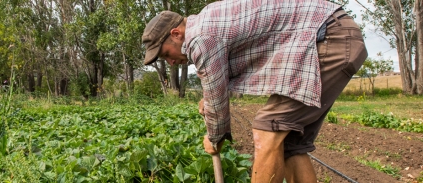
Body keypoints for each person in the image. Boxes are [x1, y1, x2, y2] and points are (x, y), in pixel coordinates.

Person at [141, 0, 367, 182]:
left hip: (328, 37)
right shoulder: (207, 22)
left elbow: (217, 104)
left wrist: (215, 136)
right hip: (330, 34)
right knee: (289, 144)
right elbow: (215, 81)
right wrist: (209, 98)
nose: (169, 62)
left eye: (164, 54)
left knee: (268, 128)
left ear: (176, 34)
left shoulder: (199, 37)